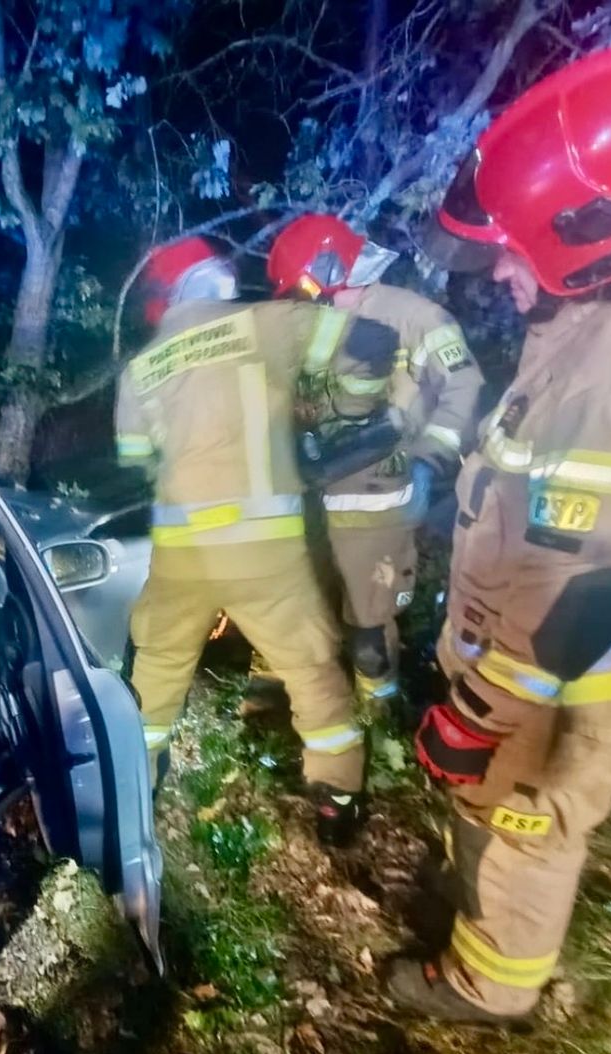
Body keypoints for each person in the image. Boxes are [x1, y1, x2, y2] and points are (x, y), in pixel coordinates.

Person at [386, 41, 611, 1023]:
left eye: (516, 244)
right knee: (508, 813)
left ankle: (490, 987)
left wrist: (483, 706)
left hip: (565, 673)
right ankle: (498, 944)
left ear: (596, 229)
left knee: (525, 821)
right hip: (540, 662)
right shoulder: (592, 328)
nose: (500, 268)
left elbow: (589, 573)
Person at [116, 236, 399, 845]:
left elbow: (134, 458)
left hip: (182, 554)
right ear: (215, 277)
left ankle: (136, 785)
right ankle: (336, 797)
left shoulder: (140, 368)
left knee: (158, 665)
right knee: (309, 667)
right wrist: (351, 415)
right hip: (263, 550)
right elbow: (372, 344)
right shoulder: (264, 323)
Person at [266, 214, 484, 703]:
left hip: (386, 492)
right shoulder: (324, 325)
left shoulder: (417, 318)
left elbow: (464, 384)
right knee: (325, 604)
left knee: (369, 620)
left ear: (329, 270)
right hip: (327, 489)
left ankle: (380, 714)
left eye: (307, 289)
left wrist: (429, 459)